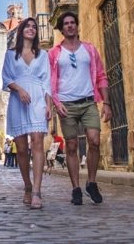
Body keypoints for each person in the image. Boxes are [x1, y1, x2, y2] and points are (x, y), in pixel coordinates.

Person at [48, 11, 112, 205]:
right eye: (65, 24)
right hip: (66, 105)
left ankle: (91, 183)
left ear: (77, 25)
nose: (69, 26)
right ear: (61, 29)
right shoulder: (54, 54)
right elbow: (49, 82)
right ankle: (76, 188)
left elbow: (101, 76)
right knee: (72, 146)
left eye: (72, 22)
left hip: (88, 102)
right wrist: (56, 104)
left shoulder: (90, 50)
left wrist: (106, 103)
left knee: (94, 141)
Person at [2, 17, 52, 209]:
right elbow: (6, 78)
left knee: (38, 143)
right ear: (21, 30)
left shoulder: (43, 55)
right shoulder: (10, 55)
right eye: (27, 26)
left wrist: (49, 105)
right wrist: (20, 90)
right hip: (18, 101)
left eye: (34, 27)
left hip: (38, 100)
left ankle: (37, 191)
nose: (31, 29)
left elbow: (47, 82)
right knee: (21, 148)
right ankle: (27, 185)